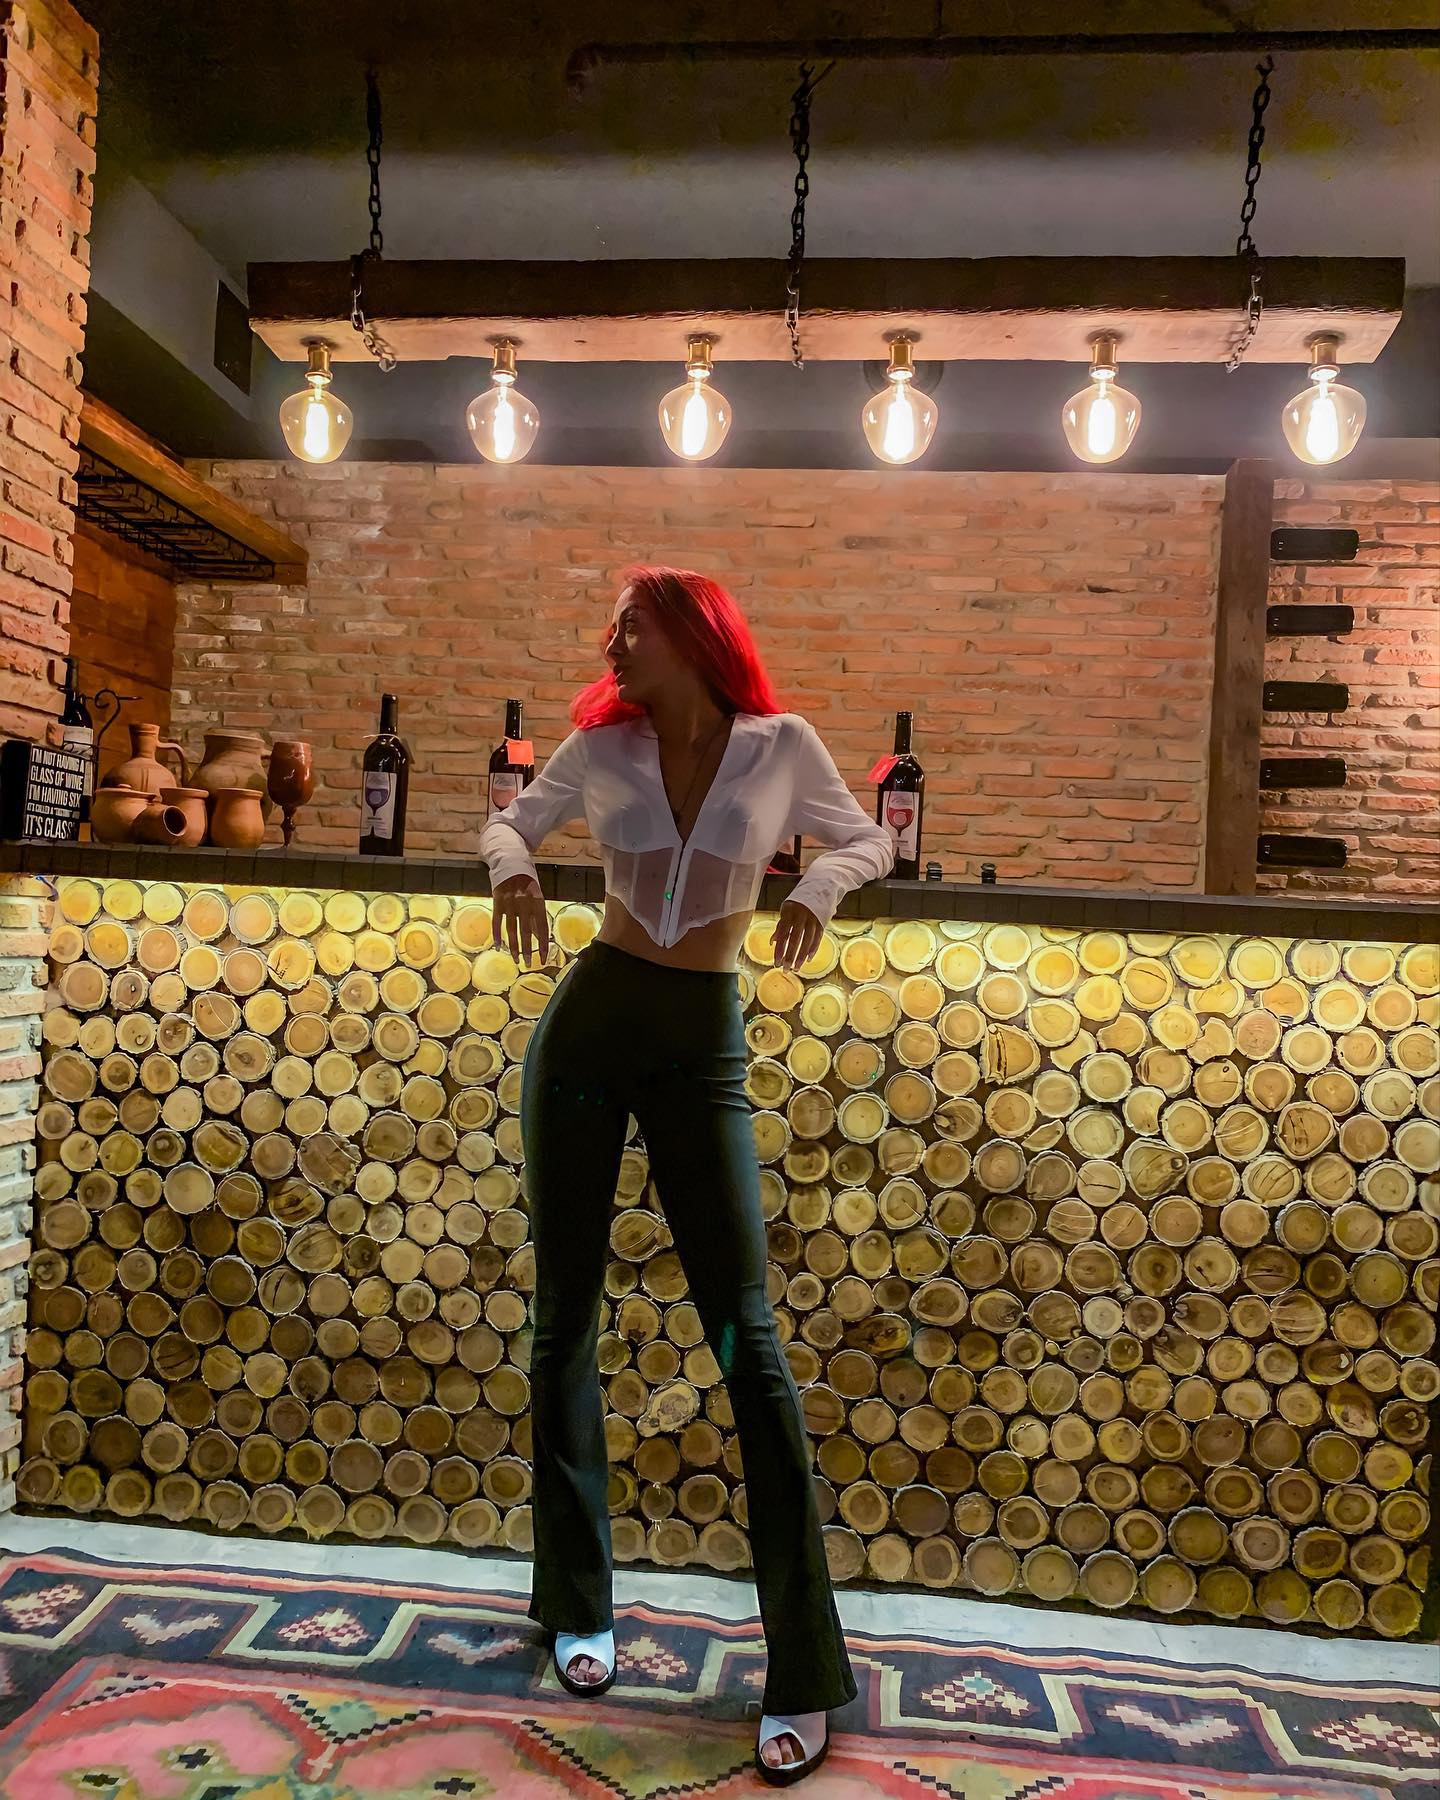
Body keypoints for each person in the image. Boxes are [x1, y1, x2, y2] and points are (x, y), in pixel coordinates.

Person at [480, 565, 895, 1785]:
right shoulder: (600, 748)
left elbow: (867, 836)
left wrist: (818, 885)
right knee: (566, 1318)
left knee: (745, 1338)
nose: (613, 641)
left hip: (703, 1037)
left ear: (693, 635)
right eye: (615, 625)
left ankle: (804, 1667)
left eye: (634, 624)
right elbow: (508, 822)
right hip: (589, 1024)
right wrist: (512, 868)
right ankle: (577, 1604)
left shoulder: (781, 746)